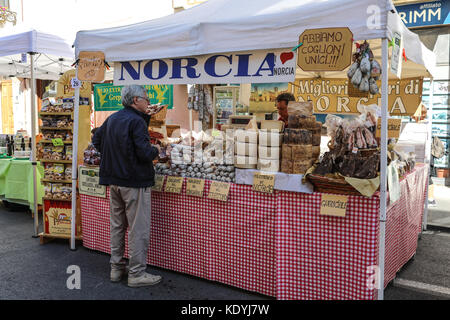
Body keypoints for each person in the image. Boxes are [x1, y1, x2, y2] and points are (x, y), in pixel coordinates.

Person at [93, 85, 161, 288]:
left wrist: (115, 156)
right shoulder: (135, 121)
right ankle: (137, 273)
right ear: (135, 101)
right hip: (134, 182)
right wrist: (156, 149)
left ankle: (116, 269)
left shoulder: (114, 118)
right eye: (146, 98)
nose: (148, 101)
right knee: (138, 229)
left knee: (117, 226)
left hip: (113, 180)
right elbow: (143, 153)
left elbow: (96, 140)